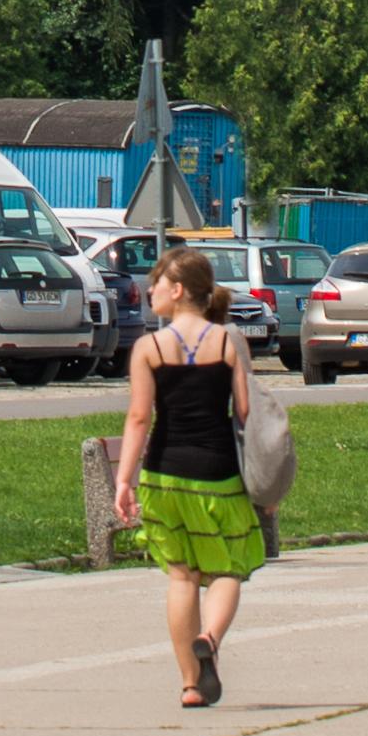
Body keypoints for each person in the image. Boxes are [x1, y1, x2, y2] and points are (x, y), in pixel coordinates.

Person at [106, 249, 269, 704]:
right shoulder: (227, 342)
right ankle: (211, 638)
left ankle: (191, 685)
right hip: (218, 473)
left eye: (156, 283)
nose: (150, 291)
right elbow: (244, 411)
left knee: (181, 578)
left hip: (164, 474)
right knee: (229, 569)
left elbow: (139, 419)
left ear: (177, 290)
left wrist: (124, 481)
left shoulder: (148, 349)